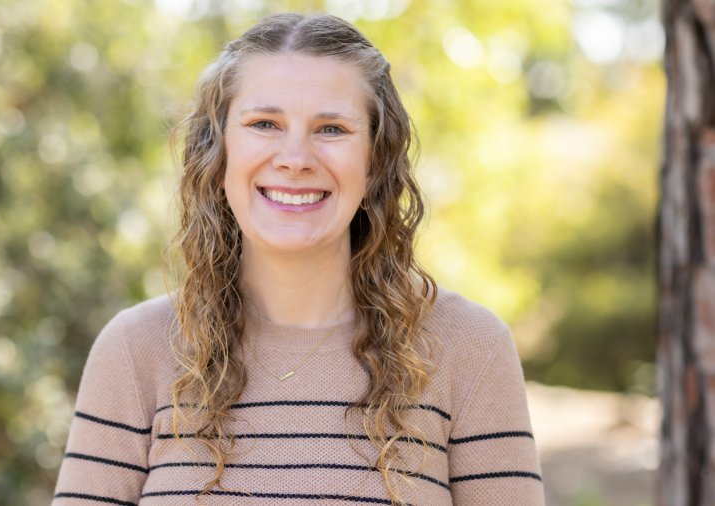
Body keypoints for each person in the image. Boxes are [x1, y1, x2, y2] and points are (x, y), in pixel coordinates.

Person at [53, 12, 543, 506]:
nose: (295, 158)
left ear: (375, 160)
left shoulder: (469, 349)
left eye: (330, 129)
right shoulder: (136, 350)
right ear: (219, 150)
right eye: (264, 124)